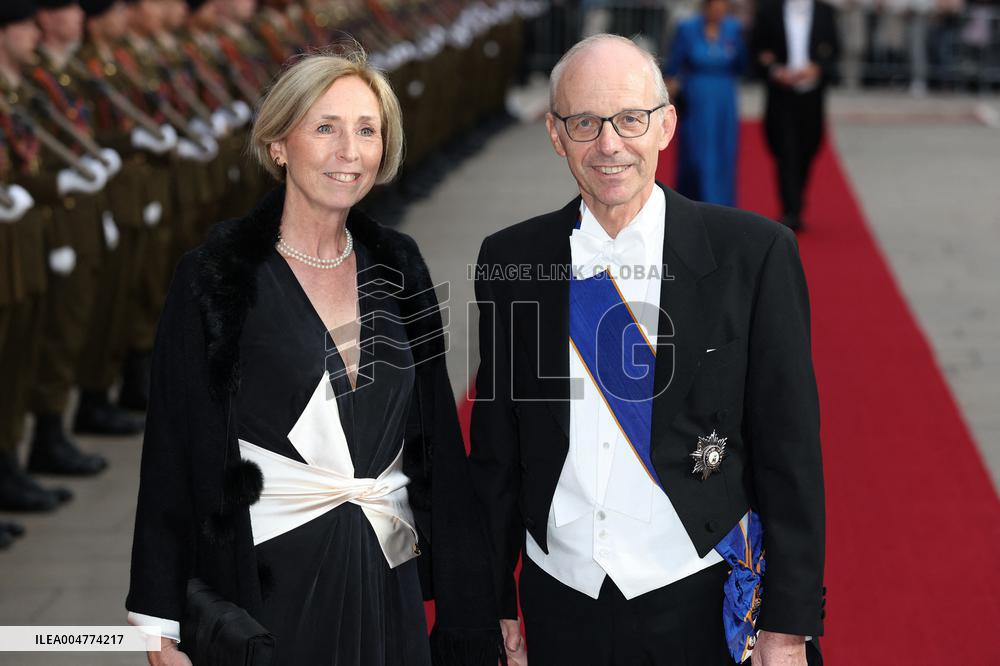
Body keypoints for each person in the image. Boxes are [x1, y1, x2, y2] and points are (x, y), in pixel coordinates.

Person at [126, 49, 501, 665]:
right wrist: (158, 623)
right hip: (270, 585)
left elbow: (437, 447)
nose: (348, 150)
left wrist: (472, 608)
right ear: (278, 143)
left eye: (366, 129)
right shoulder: (217, 275)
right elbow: (172, 449)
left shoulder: (399, 265)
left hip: (387, 577)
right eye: (325, 127)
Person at [470, 34, 825, 666]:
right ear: (556, 135)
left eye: (630, 119)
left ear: (666, 125)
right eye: (585, 123)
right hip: (561, 603)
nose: (609, 144)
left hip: (696, 595)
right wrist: (494, 603)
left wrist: (787, 624)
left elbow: (789, 452)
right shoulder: (511, 261)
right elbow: (498, 454)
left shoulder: (753, 255)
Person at [751, 0, 840, 230]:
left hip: (812, 94)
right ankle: (791, 209)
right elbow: (756, 48)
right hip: (781, 94)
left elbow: (835, 49)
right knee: (785, 149)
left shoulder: (825, 12)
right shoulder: (769, 11)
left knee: (809, 146)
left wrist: (817, 68)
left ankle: (796, 199)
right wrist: (775, 71)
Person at [663, 0, 747, 206]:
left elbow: (742, 63)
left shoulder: (734, 29)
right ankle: (692, 202)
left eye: (722, 5)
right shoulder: (687, 28)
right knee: (695, 152)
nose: (718, 10)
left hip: (724, 100)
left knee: (724, 152)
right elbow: (673, 65)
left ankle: (722, 206)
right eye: (714, 5)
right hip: (696, 99)